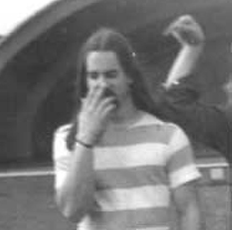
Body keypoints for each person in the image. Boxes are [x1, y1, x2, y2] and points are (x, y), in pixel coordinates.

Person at [52, 28, 201, 230]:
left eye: (111, 74)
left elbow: (189, 210)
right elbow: (73, 211)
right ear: (85, 81)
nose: (102, 84)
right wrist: (86, 139)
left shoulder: (168, 135)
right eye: (93, 76)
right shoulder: (67, 138)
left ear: (129, 76)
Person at [156, 15, 232, 164]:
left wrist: (192, 49)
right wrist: (191, 48)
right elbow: (175, 103)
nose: (226, 87)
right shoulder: (227, 124)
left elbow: (175, 103)